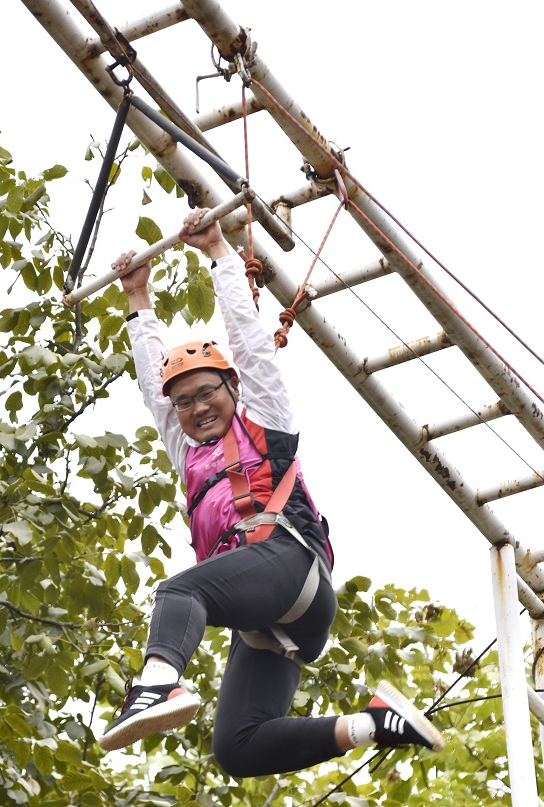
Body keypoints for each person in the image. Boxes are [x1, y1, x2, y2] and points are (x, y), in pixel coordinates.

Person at [99, 209, 445, 776]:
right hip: (274, 618)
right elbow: (151, 390)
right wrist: (138, 297)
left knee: (178, 592)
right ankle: (375, 724)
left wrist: (219, 254)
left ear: (232, 387)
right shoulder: (188, 451)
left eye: (207, 393)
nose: (197, 408)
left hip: (290, 564)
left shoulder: (263, 418)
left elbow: (251, 343)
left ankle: (157, 683)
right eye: (184, 402)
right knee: (237, 747)